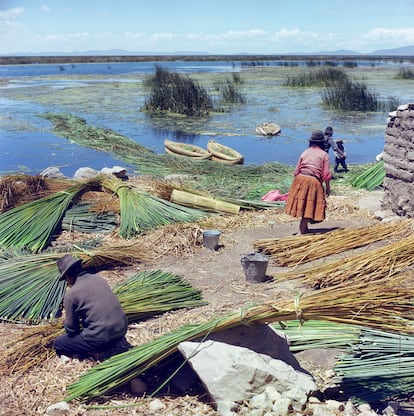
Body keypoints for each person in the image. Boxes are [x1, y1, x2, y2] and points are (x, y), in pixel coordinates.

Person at [53, 254, 130, 360]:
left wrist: (67, 323)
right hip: (121, 331)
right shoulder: (98, 279)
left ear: (67, 276)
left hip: (103, 340)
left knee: (59, 343)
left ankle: (91, 352)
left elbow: (72, 329)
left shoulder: (71, 294)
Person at [285, 130, 332, 234]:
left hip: (300, 179)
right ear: (322, 142)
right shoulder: (324, 155)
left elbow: (296, 171)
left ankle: (304, 228)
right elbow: (326, 175)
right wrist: (327, 188)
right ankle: (301, 231)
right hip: (312, 180)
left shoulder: (305, 152)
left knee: (304, 203)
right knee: (309, 204)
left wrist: (297, 186)